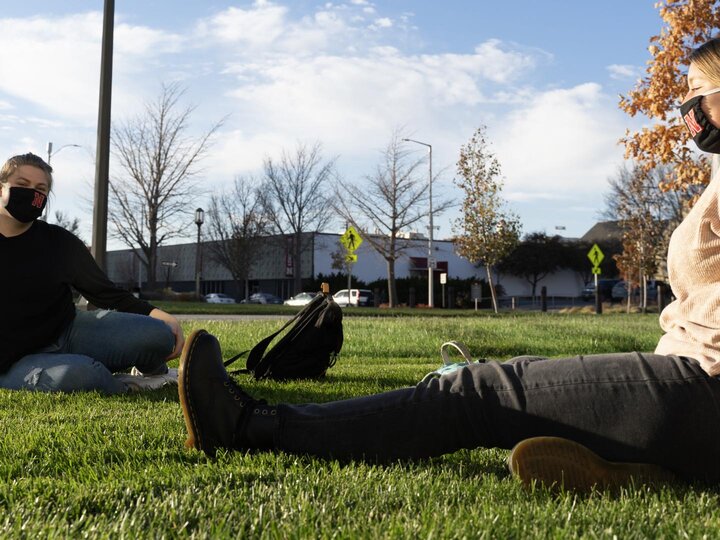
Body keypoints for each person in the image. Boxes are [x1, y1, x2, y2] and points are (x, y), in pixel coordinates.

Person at [177, 38, 720, 493]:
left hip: (704, 390)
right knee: (518, 374)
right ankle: (642, 466)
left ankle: (250, 425)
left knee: (473, 391)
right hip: (688, 383)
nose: (687, 109)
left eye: (698, 93)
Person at [0, 153, 184, 393]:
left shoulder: (58, 241)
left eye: (41, 189)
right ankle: (125, 386)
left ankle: (153, 372)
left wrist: (161, 316)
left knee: (160, 334)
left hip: (68, 332)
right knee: (86, 374)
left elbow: (105, 293)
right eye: (22, 185)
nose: (32, 193)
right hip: (14, 362)